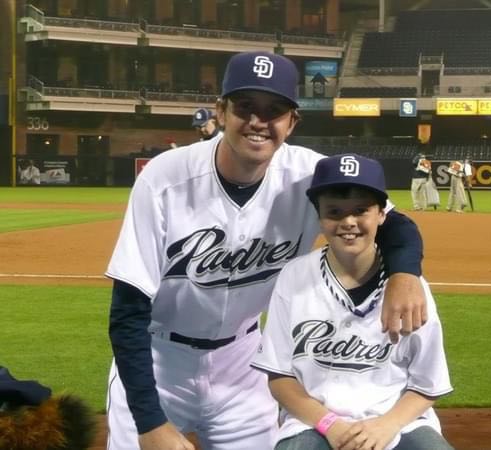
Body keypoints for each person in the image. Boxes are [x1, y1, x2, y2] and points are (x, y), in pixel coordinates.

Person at [105, 51, 428, 450]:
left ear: (291, 122)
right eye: (245, 107)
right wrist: (150, 421)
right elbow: (128, 310)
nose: (259, 121)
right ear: (221, 112)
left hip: (244, 363)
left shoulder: (309, 176)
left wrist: (404, 274)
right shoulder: (165, 177)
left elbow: (397, 226)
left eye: (274, 111)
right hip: (159, 360)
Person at [252, 154, 454, 450]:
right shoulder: (294, 277)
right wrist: (330, 424)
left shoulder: (410, 288)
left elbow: (427, 383)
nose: (348, 222)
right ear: (318, 216)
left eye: (361, 210)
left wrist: (387, 425)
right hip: (314, 423)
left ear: (382, 214)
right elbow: (280, 377)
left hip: (399, 422)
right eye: (334, 211)